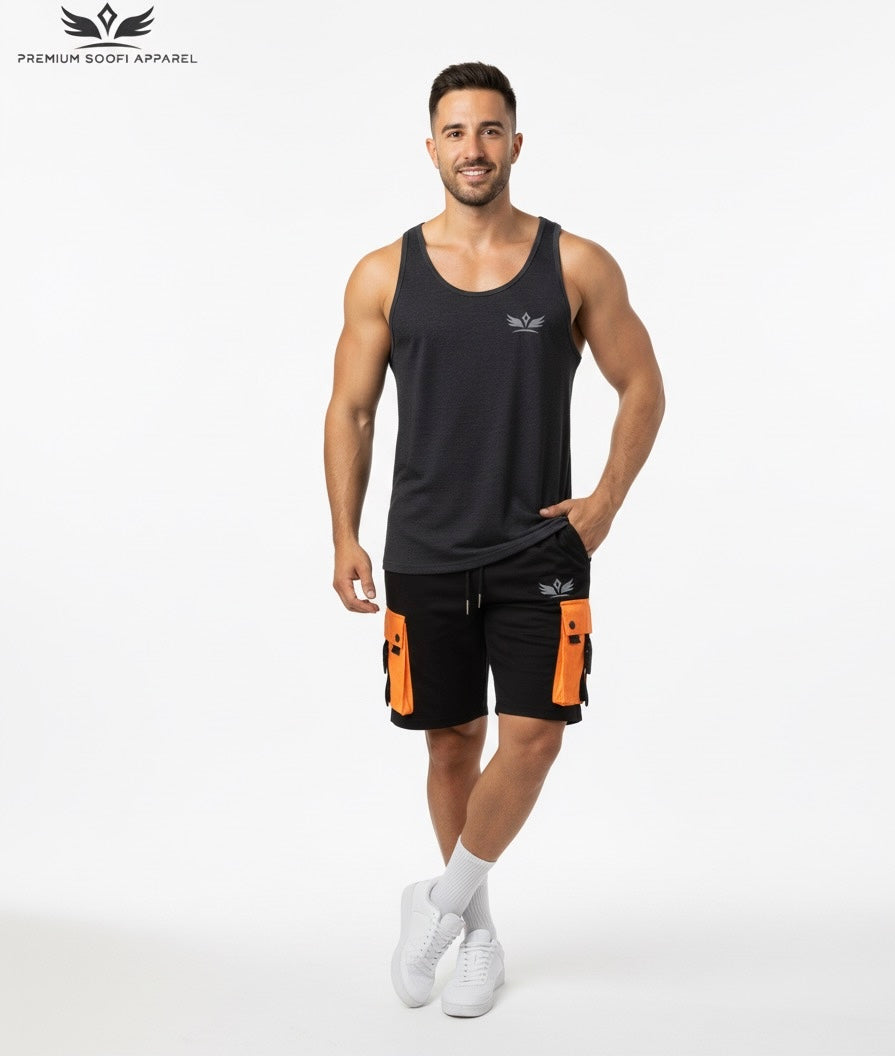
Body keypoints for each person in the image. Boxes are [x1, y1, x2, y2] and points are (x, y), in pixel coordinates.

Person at [324, 61, 664, 1018]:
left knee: (535, 739)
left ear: (515, 142)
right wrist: (344, 534)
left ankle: (435, 906)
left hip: (538, 547)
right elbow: (351, 412)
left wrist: (606, 500)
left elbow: (643, 385)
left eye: (488, 130)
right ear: (430, 146)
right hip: (423, 549)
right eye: (455, 131)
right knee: (450, 745)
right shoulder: (382, 273)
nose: (471, 149)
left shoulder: (576, 264)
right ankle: (475, 931)